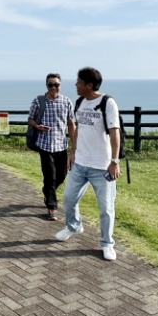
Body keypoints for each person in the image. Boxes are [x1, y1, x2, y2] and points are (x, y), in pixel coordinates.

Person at [55, 67, 121, 261]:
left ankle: (107, 243)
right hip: (80, 163)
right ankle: (74, 226)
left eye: (79, 82)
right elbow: (77, 129)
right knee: (68, 198)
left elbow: (115, 133)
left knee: (106, 208)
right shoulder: (80, 102)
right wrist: (73, 151)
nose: (76, 85)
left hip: (102, 166)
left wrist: (114, 161)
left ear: (89, 85)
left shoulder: (107, 103)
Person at [28, 73, 76, 221]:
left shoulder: (66, 102)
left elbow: (71, 124)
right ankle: (52, 208)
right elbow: (30, 119)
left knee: (62, 175)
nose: (54, 87)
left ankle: (48, 191)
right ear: (46, 86)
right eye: (51, 85)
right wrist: (38, 126)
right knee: (50, 177)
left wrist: (74, 147)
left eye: (56, 84)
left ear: (60, 85)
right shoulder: (38, 101)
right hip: (45, 145)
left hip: (61, 146)